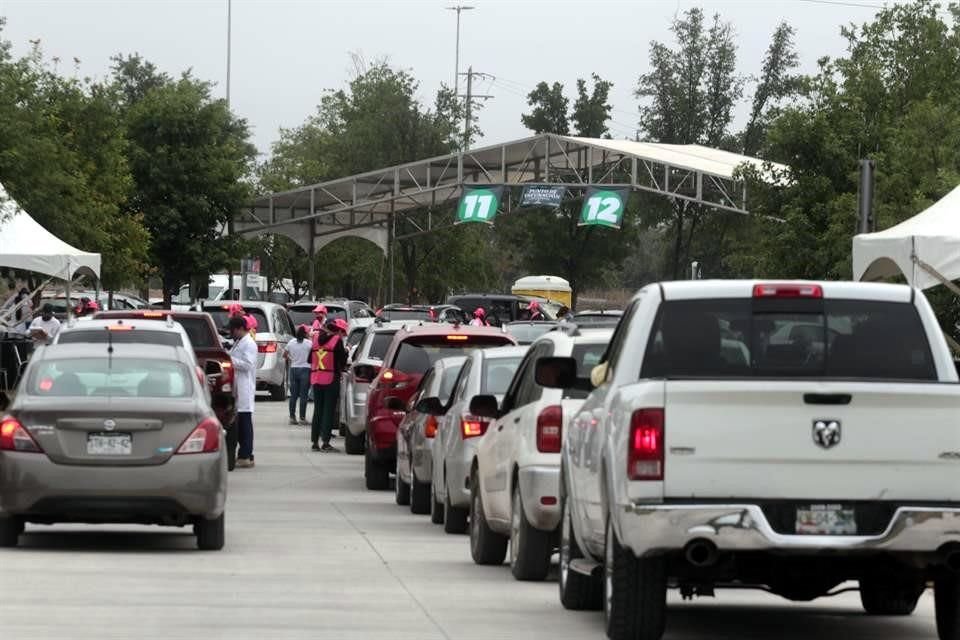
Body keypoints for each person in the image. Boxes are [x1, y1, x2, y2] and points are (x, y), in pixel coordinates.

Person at [310, 318, 348, 452]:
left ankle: (314, 442)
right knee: (328, 411)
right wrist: (346, 352)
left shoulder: (315, 340)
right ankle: (325, 442)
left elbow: (310, 359)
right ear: (336, 331)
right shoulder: (337, 340)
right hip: (331, 378)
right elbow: (342, 361)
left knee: (318, 410)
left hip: (316, 377)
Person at [228, 316, 258, 468]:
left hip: (244, 387)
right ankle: (245, 454)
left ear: (240, 328)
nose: (232, 333)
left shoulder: (249, 344)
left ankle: (246, 455)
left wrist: (229, 360)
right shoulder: (239, 342)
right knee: (239, 424)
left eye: (233, 330)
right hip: (237, 387)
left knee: (245, 424)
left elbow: (248, 364)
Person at [285, 324, 313, 426]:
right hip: (306, 369)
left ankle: (292, 417)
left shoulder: (291, 342)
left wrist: (291, 359)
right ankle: (302, 418)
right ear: (306, 333)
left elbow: (285, 354)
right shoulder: (309, 343)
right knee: (304, 395)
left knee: (294, 395)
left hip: (294, 369)